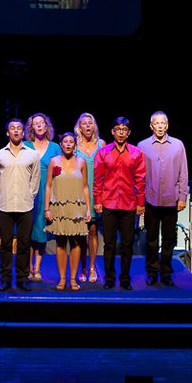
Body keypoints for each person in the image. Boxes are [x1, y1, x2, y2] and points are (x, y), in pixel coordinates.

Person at [137, 110, 189, 287]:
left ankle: (166, 272)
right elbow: (139, 175)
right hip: (150, 199)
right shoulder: (143, 146)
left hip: (170, 199)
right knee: (151, 238)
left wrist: (182, 197)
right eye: (156, 123)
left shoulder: (178, 145)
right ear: (151, 126)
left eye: (163, 123)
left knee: (169, 238)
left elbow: (183, 173)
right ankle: (152, 272)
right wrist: (139, 199)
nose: (160, 126)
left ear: (167, 125)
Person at [93, 117, 146, 290]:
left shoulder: (136, 153)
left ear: (128, 132)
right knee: (109, 244)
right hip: (109, 204)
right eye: (118, 129)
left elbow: (140, 180)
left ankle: (125, 278)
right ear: (112, 131)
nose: (121, 133)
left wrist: (140, 203)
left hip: (129, 204)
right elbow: (98, 179)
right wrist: (98, 201)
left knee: (127, 244)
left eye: (124, 130)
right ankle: (109, 278)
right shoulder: (104, 152)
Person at [0, 117, 41, 292]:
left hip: (25, 205)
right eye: (12, 128)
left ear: (23, 132)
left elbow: (35, 179)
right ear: (8, 132)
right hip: (5, 205)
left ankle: (22, 278)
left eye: (19, 128)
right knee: (5, 244)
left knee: (24, 245)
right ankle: (5, 279)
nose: (16, 130)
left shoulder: (32, 154)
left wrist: (29, 196)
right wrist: (3, 194)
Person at [44, 132, 91, 291]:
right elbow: (48, 185)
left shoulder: (81, 162)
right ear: (61, 144)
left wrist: (88, 209)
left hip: (77, 207)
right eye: (66, 141)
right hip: (59, 207)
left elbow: (85, 186)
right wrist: (47, 208)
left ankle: (73, 279)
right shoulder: (54, 161)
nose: (69, 144)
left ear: (75, 145)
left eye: (71, 142)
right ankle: (62, 279)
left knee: (76, 242)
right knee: (61, 242)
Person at [23, 112, 61, 281]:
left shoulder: (55, 148)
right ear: (31, 127)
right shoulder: (25, 145)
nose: (38, 125)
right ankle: (28, 268)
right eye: (35, 123)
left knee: (41, 232)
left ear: (46, 126)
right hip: (28, 193)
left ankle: (37, 268)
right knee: (29, 231)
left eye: (41, 122)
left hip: (47, 193)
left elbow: (60, 171)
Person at [74, 112, 106, 284]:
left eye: (90, 122)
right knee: (81, 233)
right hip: (78, 192)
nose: (87, 125)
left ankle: (92, 267)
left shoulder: (101, 144)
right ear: (79, 127)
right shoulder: (74, 145)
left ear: (94, 126)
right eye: (84, 123)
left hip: (96, 192)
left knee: (93, 231)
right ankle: (83, 267)